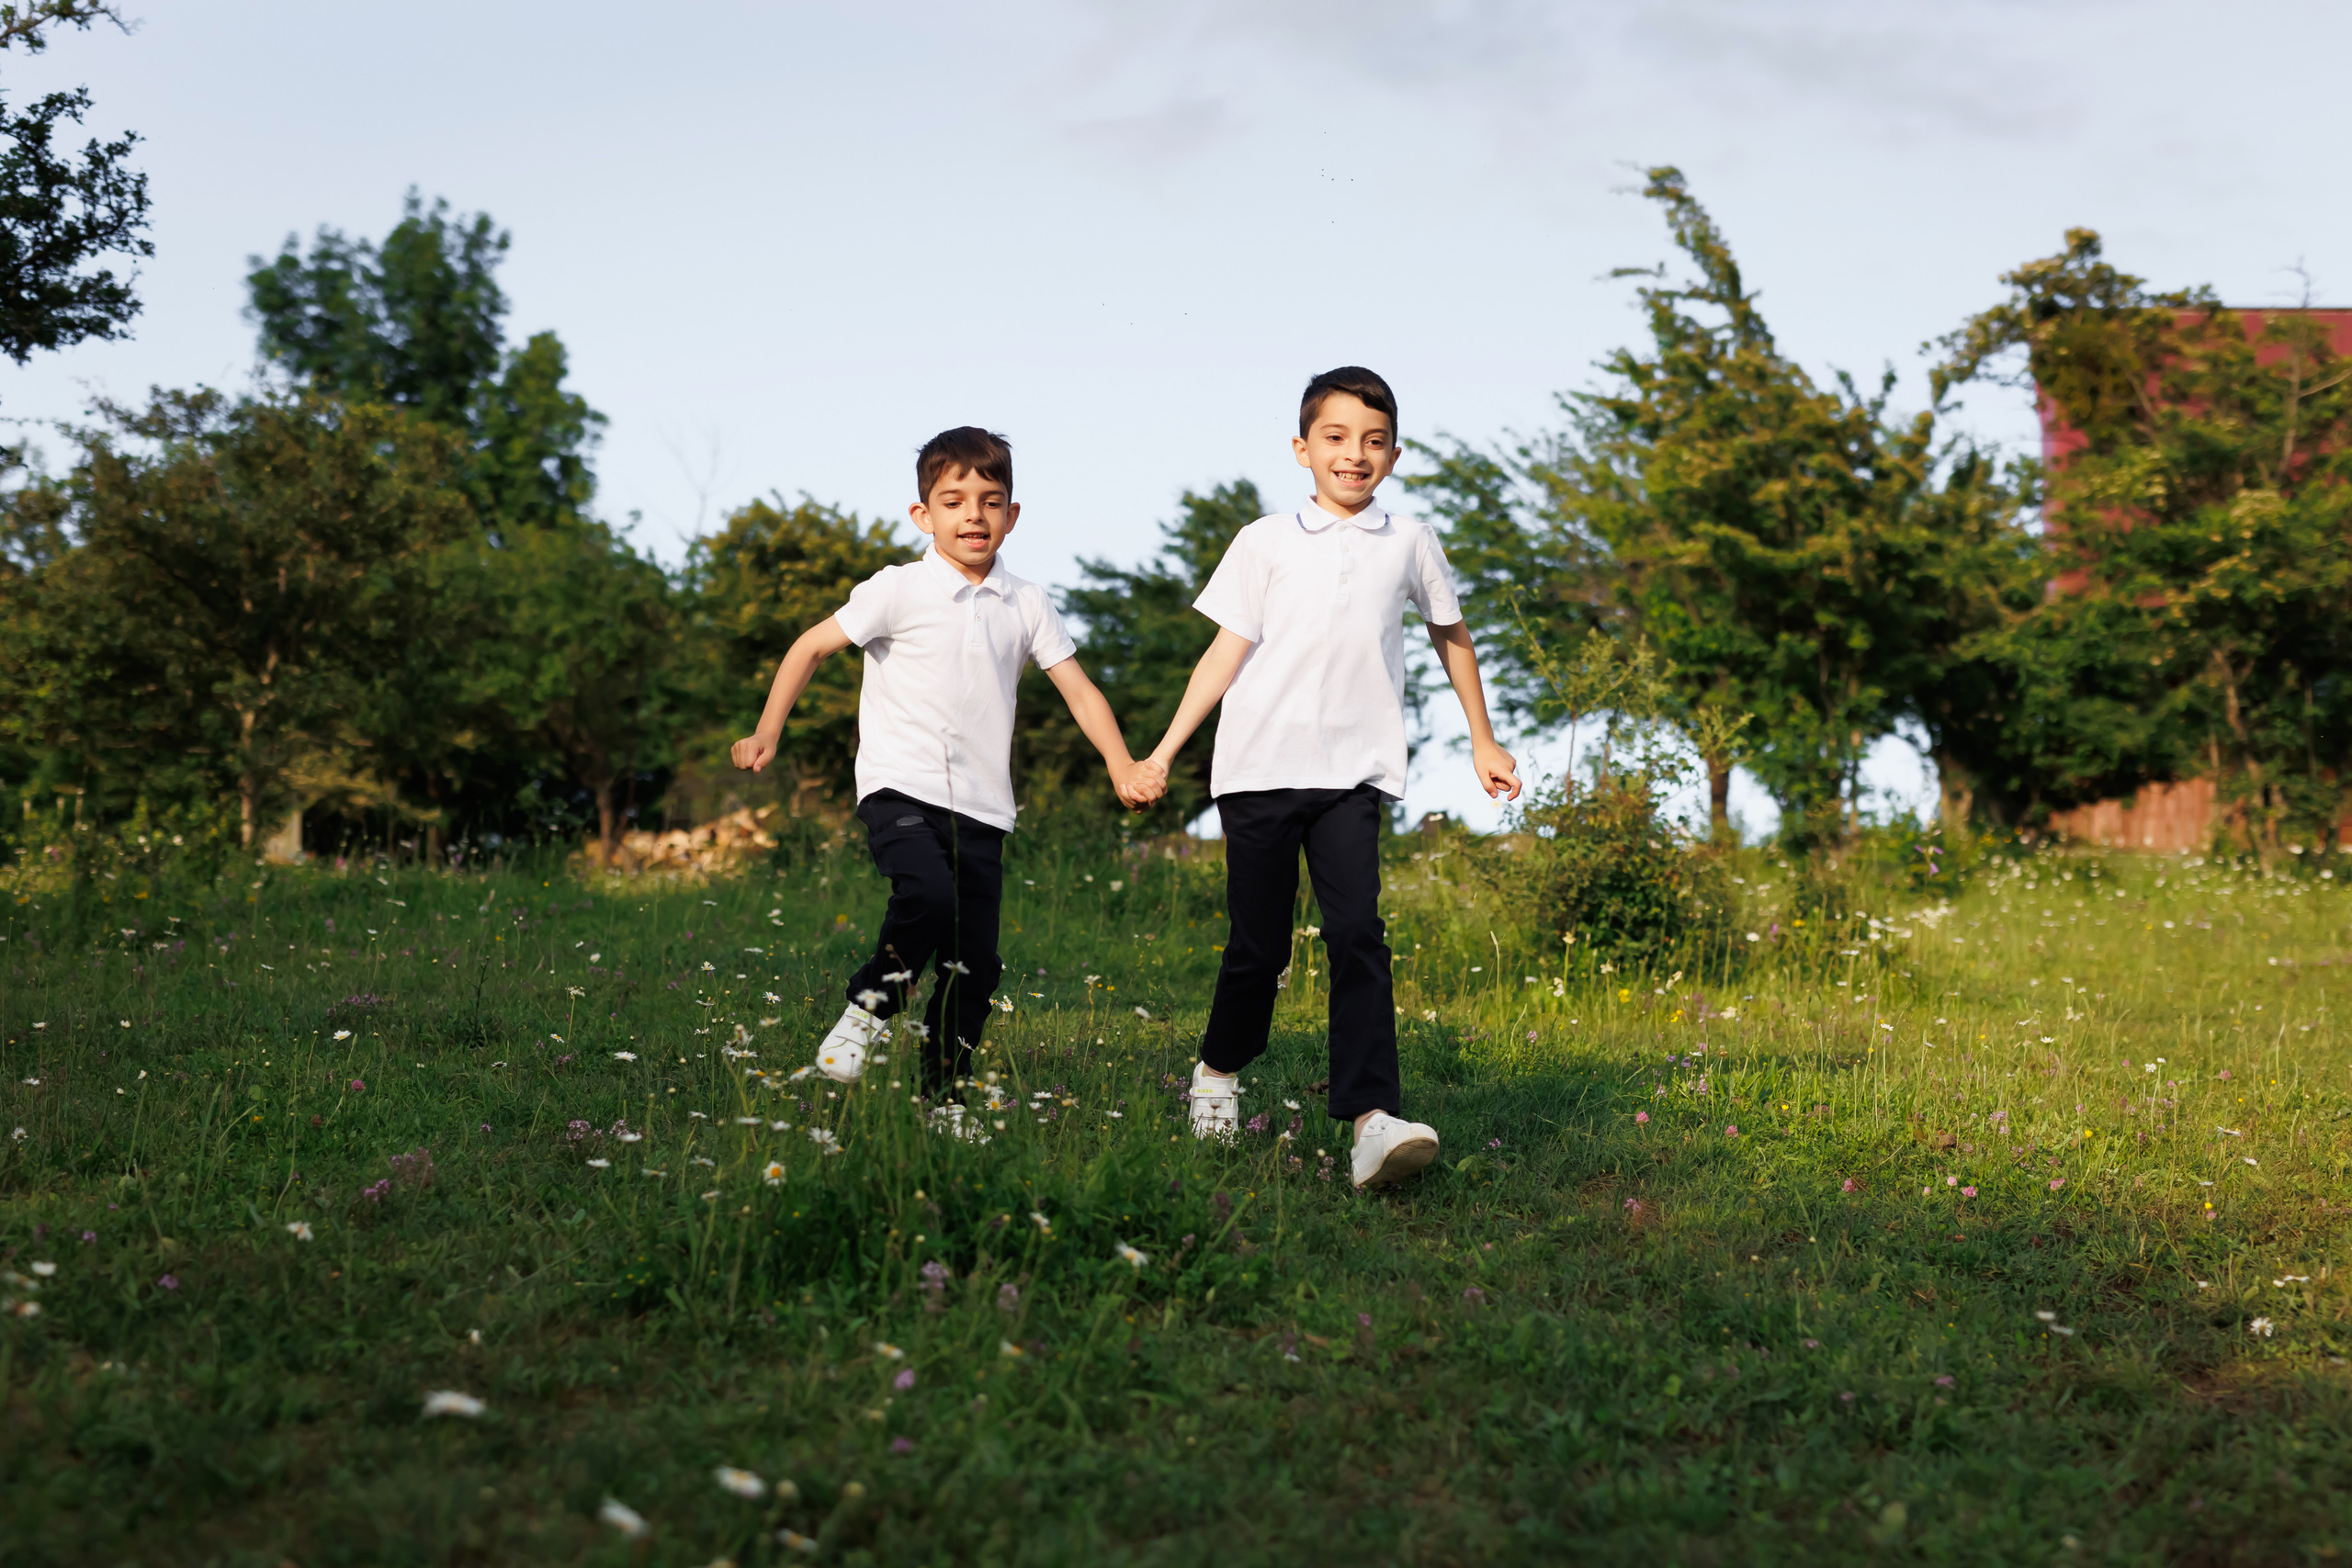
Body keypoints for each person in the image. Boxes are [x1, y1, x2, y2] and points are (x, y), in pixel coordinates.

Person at [1143, 367, 1521, 1189]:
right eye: (1337, 437)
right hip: (1258, 770)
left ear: (1394, 454)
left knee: (1357, 934)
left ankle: (1371, 1119)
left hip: (1355, 772)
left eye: (1374, 441)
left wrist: (1483, 740)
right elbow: (1223, 654)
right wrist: (1165, 751)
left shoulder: (1410, 541)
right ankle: (1218, 1070)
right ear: (1302, 448)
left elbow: (1451, 634)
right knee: (1260, 947)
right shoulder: (1265, 540)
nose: (1355, 454)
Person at [731, 426, 1165, 1095]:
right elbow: (810, 647)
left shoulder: (1027, 601)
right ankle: (866, 1011)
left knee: (975, 965)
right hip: (899, 787)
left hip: (983, 807)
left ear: (1012, 515)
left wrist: (1121, 763)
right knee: (927, 895)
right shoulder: (897, 589)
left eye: (990, 502)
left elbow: (1079, 691)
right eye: (954, 501)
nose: (974, 516)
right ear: (922, 514)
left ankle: (944, 1096)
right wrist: (768, 730)